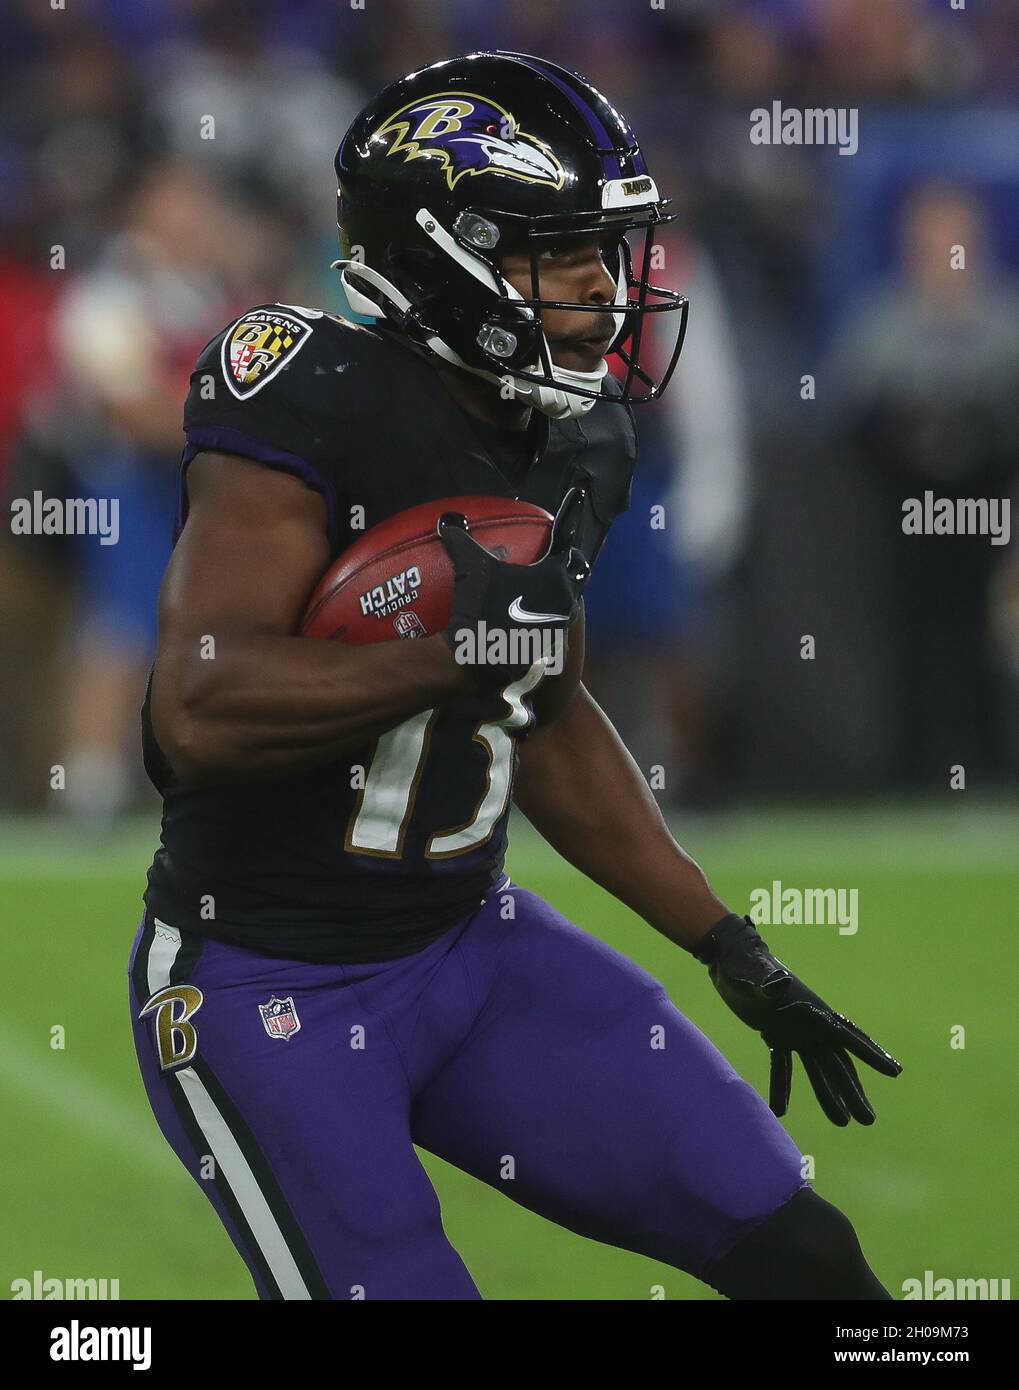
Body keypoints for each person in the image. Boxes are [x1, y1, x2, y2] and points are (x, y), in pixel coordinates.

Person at [129, 51, 900, 1301]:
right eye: (564, 253)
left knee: (803, 1257)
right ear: (448, 256)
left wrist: (725, 941)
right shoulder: (306, 392)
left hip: (471, 947)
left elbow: (543, 713)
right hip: (267, 984)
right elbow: (197, 708)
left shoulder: (581, 433)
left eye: (609, 251)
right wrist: (448, 656)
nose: (606, 288)